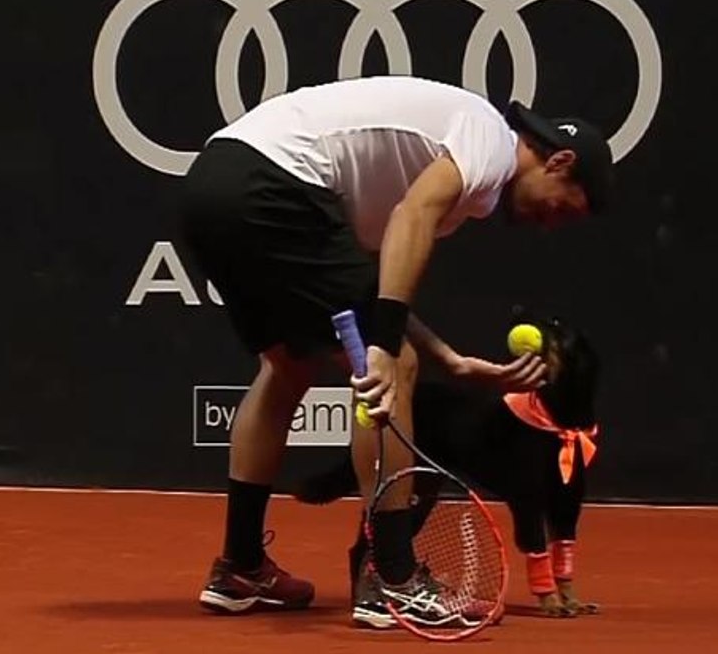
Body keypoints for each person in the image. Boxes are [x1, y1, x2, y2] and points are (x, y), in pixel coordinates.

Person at [179, 75, 614, 627]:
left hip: (214, 188)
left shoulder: (459, 173)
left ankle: (239, 566)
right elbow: (412, 218)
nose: (552, 224)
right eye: (565, 209)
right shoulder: (490, 142)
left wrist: (449, 359)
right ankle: (394, 578)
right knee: (393, 367)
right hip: (274, 184)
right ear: (557, 161)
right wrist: (386, 348)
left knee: (289, 366)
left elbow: (366, 285)